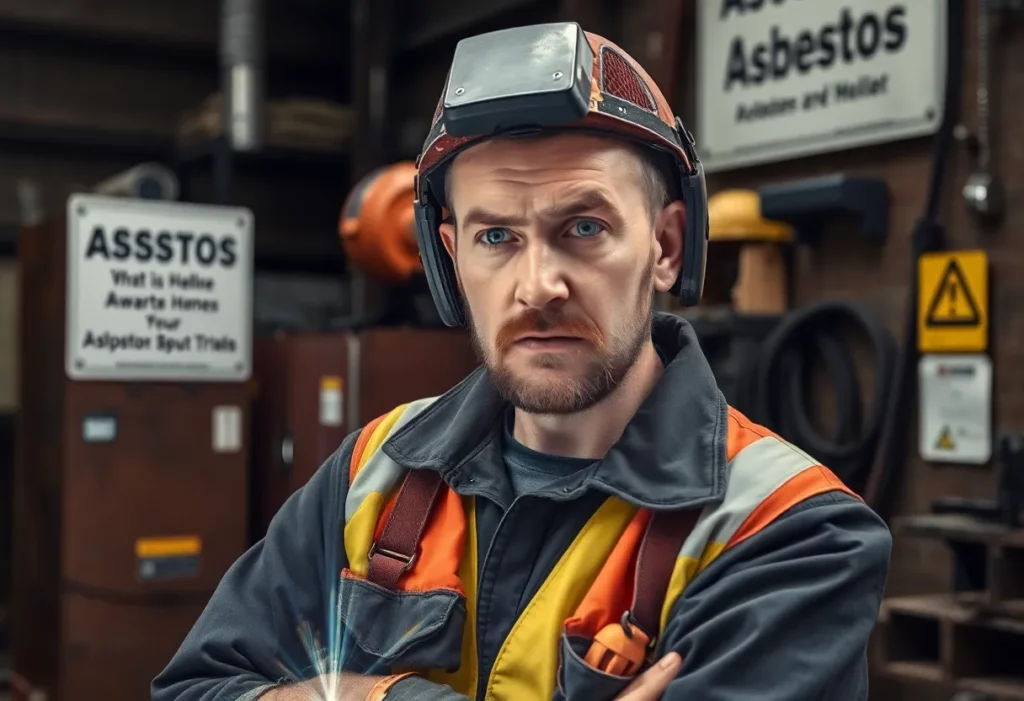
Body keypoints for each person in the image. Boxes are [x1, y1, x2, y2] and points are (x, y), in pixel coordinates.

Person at [152, 22, 892, 701]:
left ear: (665, 246)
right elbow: (193, 689)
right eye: (496, 237)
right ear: (450, 258)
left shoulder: (789, 532)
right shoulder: (370, 475)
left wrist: (341, 690)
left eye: (583, 225)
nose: (538, 285)